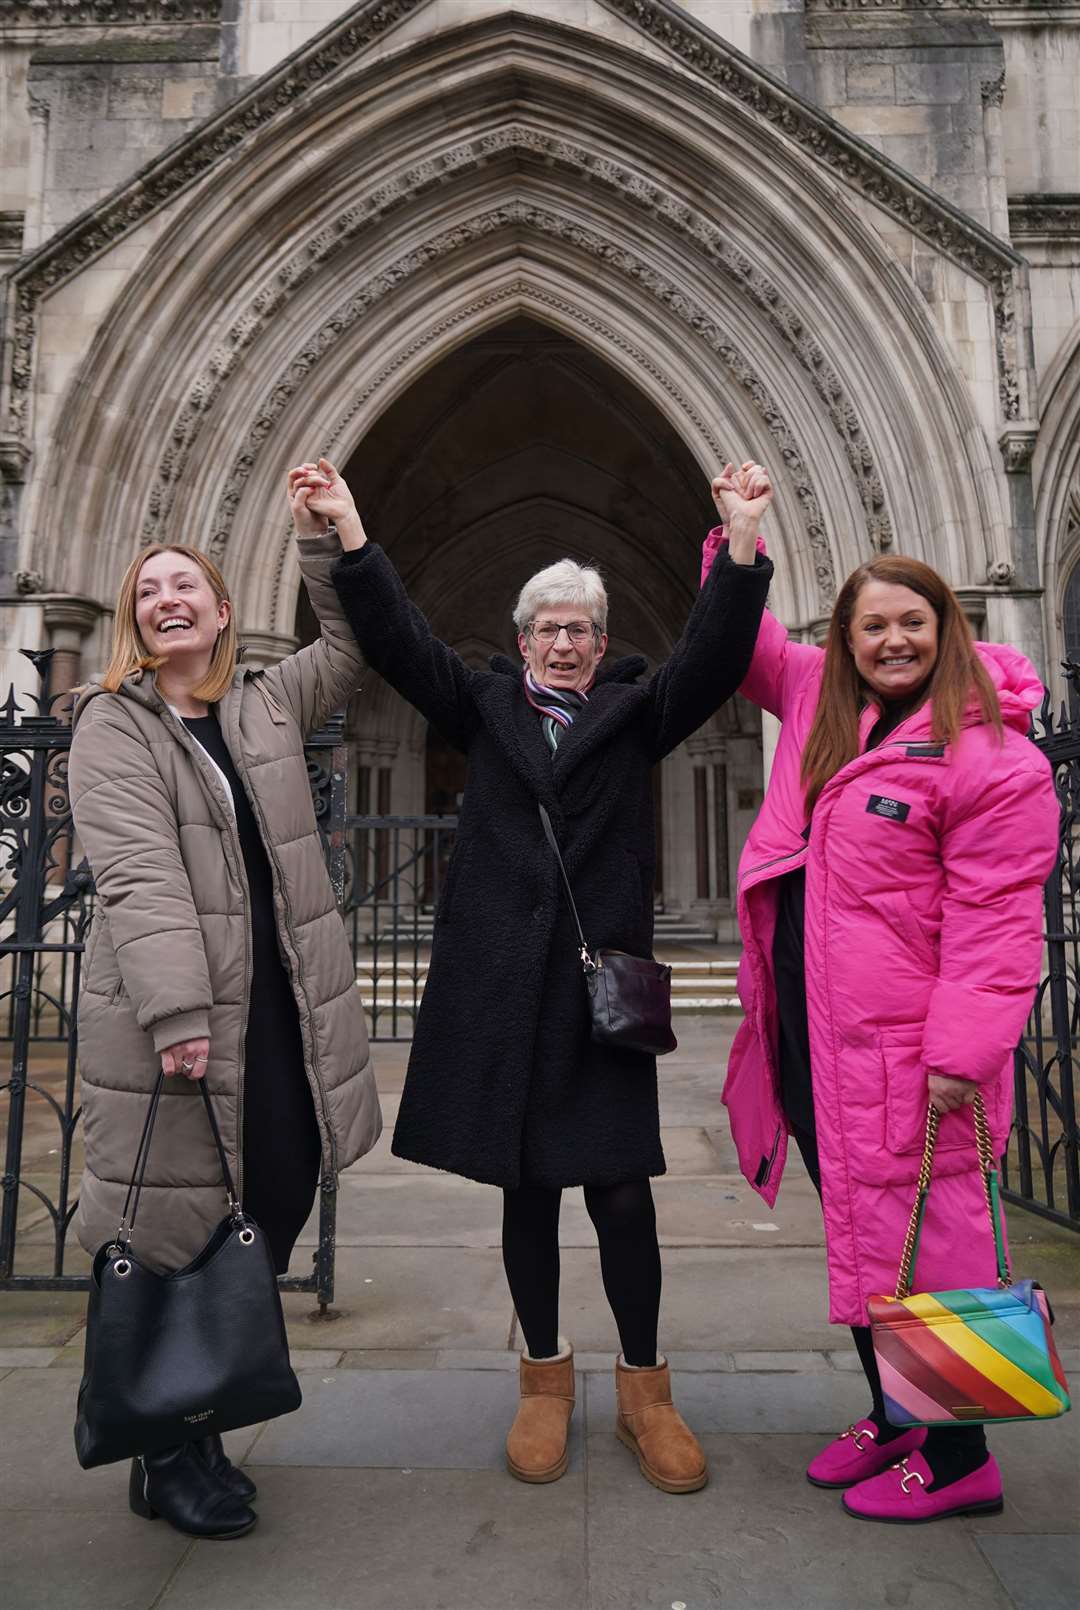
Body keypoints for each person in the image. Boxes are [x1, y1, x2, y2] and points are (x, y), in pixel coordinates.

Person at [321, 466, 772, 1494]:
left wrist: (740, 546)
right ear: (522, 639)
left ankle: (648, 1394)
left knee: (621, 1193)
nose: (565, 641)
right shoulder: (482, 707)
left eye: (581, 628)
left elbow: (710, 661)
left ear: (600, 644)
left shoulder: (634, 711)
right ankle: (543, 1384)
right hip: (502, 989)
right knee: (527, 1194)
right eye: (548, 628)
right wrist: (352, 530)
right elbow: (401, 644)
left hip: (598, 996)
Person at [707, 462, 1059, 1523]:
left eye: (911, 621)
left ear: (945, 627)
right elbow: (749, 648)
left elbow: (1000, 925)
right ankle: (900, 1411)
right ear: (846, 640)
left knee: (937, 1245)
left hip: (919, 1052)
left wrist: (963, 1054)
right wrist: (740, 539)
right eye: (871, 627)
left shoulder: (991, 754)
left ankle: (961, 1463)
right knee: (870, 1238)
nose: (892, 640)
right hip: (821, 1038)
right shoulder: (825, 702)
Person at [69, 461, 382, 1540]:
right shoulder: (112, 723)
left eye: (183, 584)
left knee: (274, 1201)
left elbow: (351, 650)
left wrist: (326, 538)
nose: (166, 598)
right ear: (134, 618)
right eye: (147, 588)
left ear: (221, 608)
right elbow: (138, 874)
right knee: (172, 1227)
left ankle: (199, 1410)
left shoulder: (262, 705)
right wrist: (176, 1011)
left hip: (280, 1012)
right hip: (183, 1020)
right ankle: (170, 1445)